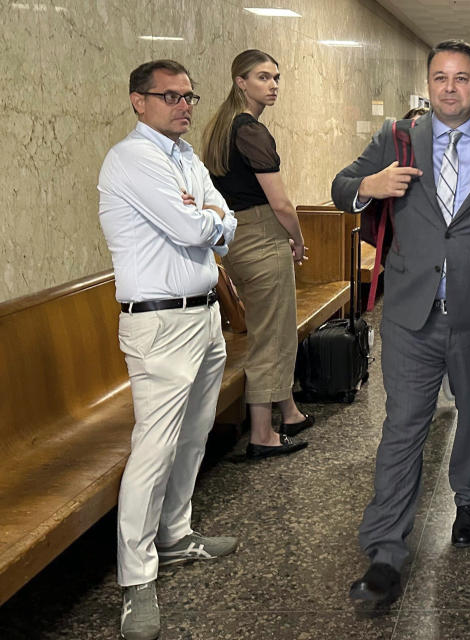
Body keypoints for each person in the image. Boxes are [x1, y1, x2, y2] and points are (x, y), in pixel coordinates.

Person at [332, 39, 470, 604]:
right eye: (439, 78)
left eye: (461, 78)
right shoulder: (397, 139)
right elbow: (340, 188)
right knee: (404, 423)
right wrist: (369, 187)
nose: (449, 88)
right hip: (409, 309)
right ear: (428, 85)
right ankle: (385, 549)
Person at [98, 59, 240, 640]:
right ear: (138, 101)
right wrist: (205, 217)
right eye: (170, 96)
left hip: (204, 316)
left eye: (189, 96)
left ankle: (176, 535)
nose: (184, 105)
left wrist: (207, 215)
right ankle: (136, 581)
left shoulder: (185, 158)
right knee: (152, 449)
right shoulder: (132, 158)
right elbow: (192, 229)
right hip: (157, 324)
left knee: (194, 432)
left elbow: (225, 220)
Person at [201, 49, 311, 460]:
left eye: (276, 78)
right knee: (272, 335)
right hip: (262, 234)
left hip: (237, 238)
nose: (273, 85)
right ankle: (263, 433)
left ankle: (289, 411)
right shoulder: (251, 130)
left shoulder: (221, 126)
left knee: (274, 327)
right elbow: (281, 204)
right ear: (240, 82)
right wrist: (297, 239)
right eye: (263, 77)